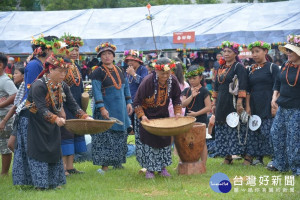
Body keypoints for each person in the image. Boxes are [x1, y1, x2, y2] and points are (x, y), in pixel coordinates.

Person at [25, 48, 91, 189]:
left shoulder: (63, 86)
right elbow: (41, 109)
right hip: (37, 123)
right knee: (40, 151)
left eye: (65, 71)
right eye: (60, 71)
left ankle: (54, 182)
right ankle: (40, 184)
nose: (63, 74)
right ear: (49, 70)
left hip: (52, 123)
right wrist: (56, 119)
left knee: (54, 149)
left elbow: (73, 105)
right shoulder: (38, 85)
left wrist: (86, 117)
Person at [12, 34, 57, 186]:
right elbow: (33, 91)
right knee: (31, 148)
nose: (56, 53)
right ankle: (30, 181)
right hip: (31, 111)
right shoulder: (34, 65)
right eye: (54, 49)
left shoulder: (44, 65)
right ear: (44, 50)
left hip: (40, 109)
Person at [133, 57, 182, 179]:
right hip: (146, 116)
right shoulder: (147, 81)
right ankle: (150, 170)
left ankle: (162, 169)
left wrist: (177, 113)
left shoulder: (173, 81)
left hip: (162, 115)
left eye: (167, 73)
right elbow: (137, 102)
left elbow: (177, 98)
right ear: (156, 71)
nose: (165, 76)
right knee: (149, 143)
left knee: (163, 142)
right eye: (162, 73)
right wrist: (142, 116)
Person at [91, 42, 133, 173]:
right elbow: (96, 91)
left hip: (120, 108)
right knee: (105, 137)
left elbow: (126, 87)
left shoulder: (119, 70)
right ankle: (104, 166)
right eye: (104, 54)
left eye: (109, 54)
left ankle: (118, 162)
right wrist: (101, 108)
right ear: (100, 57)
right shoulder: (97, 72)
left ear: (114, 56)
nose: (107, 56)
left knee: (120, 135)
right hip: (106, 108)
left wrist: (129, 102)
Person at [268, 34, 300, 176]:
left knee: (294, 139)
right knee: (276, 133)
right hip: (283, 107)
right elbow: (278, 82)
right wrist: (274, 97)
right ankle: (281, 163)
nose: (287, 53)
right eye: (287, 50)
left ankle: (296, 168)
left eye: (290, 51)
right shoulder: (285, 66)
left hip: (297, 108)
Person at [212, 41, 248, 165]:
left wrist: (239, 102)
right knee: (222, 127)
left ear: (235, 53)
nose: (226, 54)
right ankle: (227, 157)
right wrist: (214, 102)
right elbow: (215, 86)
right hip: (221, 101)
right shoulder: (220, 67)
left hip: (232, 101)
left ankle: (241, 154)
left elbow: (243, 84)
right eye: (225, 51)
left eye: (229, 52)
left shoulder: (238, 67)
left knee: (233, 126)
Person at [245, 41, 279, 165]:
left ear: (265, 51)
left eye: (257, 51)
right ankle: (258, 158)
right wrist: (248, 106)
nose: (254, 54)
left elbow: (278, 86)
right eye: (252, 52)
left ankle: (275, 157)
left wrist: (274, 104)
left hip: (268, 102)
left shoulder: (272, 67)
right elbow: (248, 90)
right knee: (255, 130)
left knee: (269, 131)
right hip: (254, 103)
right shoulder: (250, 69)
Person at [60, 33, 86, 176]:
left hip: (76, 105)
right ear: (65, 50)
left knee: (74, 133)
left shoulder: (77, 67)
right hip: (64, 105)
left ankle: (70, 166)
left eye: (77, 50)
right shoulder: (62, 66)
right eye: (72, 49)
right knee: (66, 134)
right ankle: (62, 167)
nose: (75, 52)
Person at [181, 65, 211, 166]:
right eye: (190, 78)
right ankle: (188, 161)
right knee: (187, 142)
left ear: (200, 78)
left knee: (202, 142)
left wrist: (196, 114)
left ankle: (203, 163)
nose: (192, 81)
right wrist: (191, 96)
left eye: (194, 78)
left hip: (201, 119)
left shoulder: (204, 91)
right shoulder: (186, 91)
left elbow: (208, 107)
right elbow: (183, 104)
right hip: (188, 120)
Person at [0, 52, 18, 176]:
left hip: (4, 117)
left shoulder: (5, 80)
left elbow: (15, 95)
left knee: (5, 145)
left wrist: (1, 105)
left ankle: (4, 173)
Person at [124, 50, 148, 133]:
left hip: (139, 101)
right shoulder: (127, 71)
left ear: (138, 61)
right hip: (129, 100)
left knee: (138, 124)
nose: (130, 62)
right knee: (128, 125)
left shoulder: (143, 69)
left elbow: (144, 83)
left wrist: (134, 74)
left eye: (132, 60)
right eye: (128, 61)